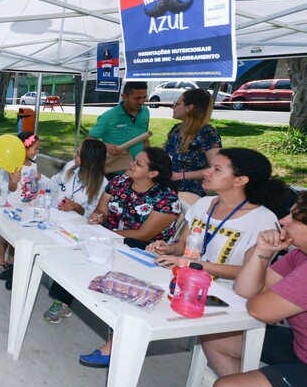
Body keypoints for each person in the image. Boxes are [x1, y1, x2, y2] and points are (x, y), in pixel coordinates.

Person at [204, 192, 307, 387]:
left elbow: (261, 310)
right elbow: (247, 290)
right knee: (216, 335)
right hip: (300, 348)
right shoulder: (299, 255)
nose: (283, 221)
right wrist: (261, 251)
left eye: (294, 217)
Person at [79, 146, 181, 367]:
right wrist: (98, 218)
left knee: (105, 247)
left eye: (139, 163)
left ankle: (119, 335)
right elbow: (101, 210)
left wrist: (107, 234)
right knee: (77, 249)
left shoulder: (166, 198)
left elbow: (144, 235)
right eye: (134, 160)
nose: (132, 163)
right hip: (111, 240)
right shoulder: (118, 182)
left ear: (153, 174)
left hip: (142, 252)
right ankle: (65, 298)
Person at [147, 148, 284, 285]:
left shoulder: (263, 220)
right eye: (210, 166)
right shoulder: (203, 204)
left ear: (240, 180)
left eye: (217, 169)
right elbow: (183, 244)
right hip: (184, 280)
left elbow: (248, 271)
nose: (206, 172)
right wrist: (170, 249)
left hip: (223, 294)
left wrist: (190, 263)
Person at [42, 139, 108, 323]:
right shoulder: (71, 167)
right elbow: (53, 185)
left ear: (89, 159)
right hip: (56, 220)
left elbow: (96, 216)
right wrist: (39, 180)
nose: (74, 156)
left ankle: (62, 303)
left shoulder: (102, 184)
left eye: (78, 154)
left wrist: (78, 207)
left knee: (69, 256)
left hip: (77, 229)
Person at [0, 132, 41, 290]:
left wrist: (37, 181)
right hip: (14, 206)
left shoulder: (33, 165)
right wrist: (13, 182)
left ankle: (11, 260)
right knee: (6, 235)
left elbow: (33, 184)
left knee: (19, 236)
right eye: (35, 148)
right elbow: (12, 187)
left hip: (28, 206)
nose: (37, 151)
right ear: (24, 148)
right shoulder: (15, 166)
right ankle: (0, 258)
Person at [163, 88, 222, 196]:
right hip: (168, 188)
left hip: (191, 193)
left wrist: (180, 176)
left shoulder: (208, 133)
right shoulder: (176, 128)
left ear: (189, 108)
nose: (173, 106)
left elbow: (216, 168)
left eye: (177, 103)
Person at [87, 80, 150, 174]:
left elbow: (144, 139)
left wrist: (149, 159)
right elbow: (89, 140)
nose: (141, 102)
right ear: (124, 97)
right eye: (137, 98)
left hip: (137, 171)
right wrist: (106, 146)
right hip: (114, 171)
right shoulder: (109, 116)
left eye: (144, 97)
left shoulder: (145, 112)